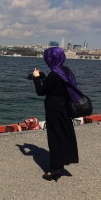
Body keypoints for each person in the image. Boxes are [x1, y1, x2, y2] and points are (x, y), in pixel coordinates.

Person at [32, 47, 79, 181]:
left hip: (54, 110)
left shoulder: (54, 74)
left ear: (50, 59)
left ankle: (54, 169)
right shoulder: (66, 71)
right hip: (64, 108)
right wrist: (43, 77)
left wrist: (36, 78)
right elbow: (56, 86)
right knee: (64, 135)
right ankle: (61, 162)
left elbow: (41, 91)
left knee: (54, 138)